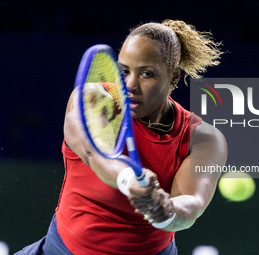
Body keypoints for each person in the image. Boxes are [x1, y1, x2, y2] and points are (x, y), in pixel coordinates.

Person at [15, 19, 227, 255]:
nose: (130, 85)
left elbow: (192, 204)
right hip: (61, 249)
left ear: (174, 77)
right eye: (124, 71)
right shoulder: (93, 99)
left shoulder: (204, 138)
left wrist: (163, 209)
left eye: (147, 74)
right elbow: (93, 151)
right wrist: (128, 179)